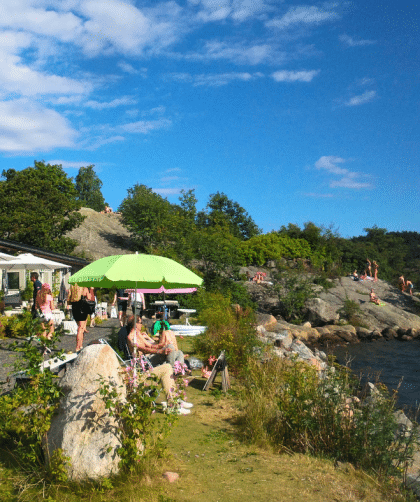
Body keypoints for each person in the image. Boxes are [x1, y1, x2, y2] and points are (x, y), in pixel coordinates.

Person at [125, 316, 192, 414]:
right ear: (135, 324)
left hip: (149, 359)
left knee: (179, 352)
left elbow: (150, 346)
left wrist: (162, 344)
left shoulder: (138, 334)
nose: (142, 324)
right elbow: (144, 350)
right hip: (144, 364)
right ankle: (174, 372)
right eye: (140, 322)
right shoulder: (131, 338)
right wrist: (160, 351)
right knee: (169, 365)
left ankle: (175, 373)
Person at [67, 282, 90, 352]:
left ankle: (80, 345)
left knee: (80, 327)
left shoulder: (72, 286)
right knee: (80, 328)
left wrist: (68, 305)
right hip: (82, 307)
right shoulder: (83, 286)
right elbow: (88, 297)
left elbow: (69, 297)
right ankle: (78, 346)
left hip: (74, 307)